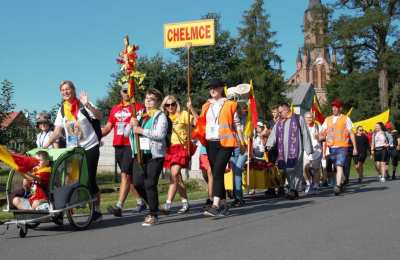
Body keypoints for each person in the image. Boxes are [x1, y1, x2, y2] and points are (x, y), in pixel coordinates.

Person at [44, 80, 103, 220]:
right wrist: (45, 145)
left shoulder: (83, 104)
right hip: (73, 150)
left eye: (68, 89)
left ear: (73, 90)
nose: (65, 92)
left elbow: (100, 116)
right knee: (70, 180)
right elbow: (57, 132)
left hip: (90, 146)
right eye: (62, 90)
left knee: (90, 179)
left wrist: (87, 104)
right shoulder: (62, 109)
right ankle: (66, 211)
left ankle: (96, 209)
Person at [194, 79, 245, 217]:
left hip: (226, 142)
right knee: (217, 173)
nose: (212, 90)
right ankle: (223, 205)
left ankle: (215, 205)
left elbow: (237, 124)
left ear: (222, 88)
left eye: (215, 87)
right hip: (211, 143)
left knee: (217, 171)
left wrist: (242, 142)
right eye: (210, 88)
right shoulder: (206, 105)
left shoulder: (230, 104)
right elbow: (200, 123)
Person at [102, 84, 145, 217]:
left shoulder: (138, 107)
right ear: (121, 92)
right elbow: (108, 127)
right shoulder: (115, 108)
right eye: (125, 91)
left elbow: (143, 123)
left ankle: (119, 206)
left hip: (130, 145)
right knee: (128, 177)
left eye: (129, 91)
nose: (127, 93)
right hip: (118, 145)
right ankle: (141, 202)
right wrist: (95, 134)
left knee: (125, 175)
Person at [129, 88, 168, 226]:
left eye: (151, 99)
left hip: (154, 155)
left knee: (150, 184)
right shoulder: (140, 114)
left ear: (157, 102)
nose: (148, 101)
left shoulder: (160, 116)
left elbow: (159, 135)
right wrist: (132, 124)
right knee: (138, 183)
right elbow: (129, 132)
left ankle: (153, 214)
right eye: (146, 98)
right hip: (139, 154)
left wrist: (141, 130)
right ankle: (154, 205)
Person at [266, 103, 313, 200]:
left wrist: (308, 148)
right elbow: (274, 133)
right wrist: (269, 144)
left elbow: (305, 133)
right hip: (283, 151)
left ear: (286, 110)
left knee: (295, 169)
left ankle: (293, 189)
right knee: (286, 170)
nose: (279, 114)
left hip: (297, 149)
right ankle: (294, 189)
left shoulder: (298, 119)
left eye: (280, 112)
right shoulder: (279, 122)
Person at [160, 95, 198, 214]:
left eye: (173, 104)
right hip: (169, 149)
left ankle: (168, 204)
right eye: (167, 105)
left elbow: (197, 122)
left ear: (176, 104)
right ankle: (185, 203)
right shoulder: (163, 118)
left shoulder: (183, 114)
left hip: (181, 148)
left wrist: (191, 108)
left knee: (174, 174)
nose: (170, 107)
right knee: (178, 177)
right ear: (164, 106)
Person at [320, 99, 357, 195]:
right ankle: (342, 180)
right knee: (337, 167)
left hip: (342, 146)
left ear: (340, 108)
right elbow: (322, 131)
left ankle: (337, 186)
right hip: (332, 147)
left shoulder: (346, 118)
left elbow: (351, 133)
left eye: (336, 107)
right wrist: (320, 136)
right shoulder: (327, 119)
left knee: (339, 165)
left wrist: (355, 147)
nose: (334, 109)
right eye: (333, 107)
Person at [303, 112, 322, 195]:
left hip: (316, 151)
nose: (309, 119)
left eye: (310, 117)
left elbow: (323, 137)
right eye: (307, 117)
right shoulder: (302, 127)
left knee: (316, 169)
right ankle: (308, 183)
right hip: (306, 151)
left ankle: (316, 185)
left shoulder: (317, 126)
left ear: (313, 118)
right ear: (304, 118)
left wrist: (318, 137)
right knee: (304, 168)